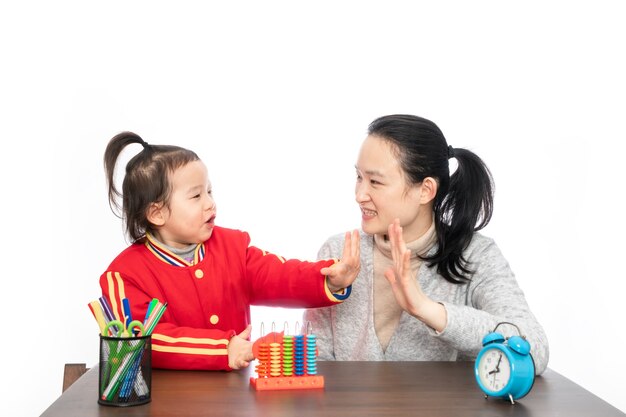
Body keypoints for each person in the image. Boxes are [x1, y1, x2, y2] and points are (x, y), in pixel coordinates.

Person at [304, 114, 549, 374]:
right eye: (359, 177)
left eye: (375, 182)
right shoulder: (338, 252)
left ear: (425, 190)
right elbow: (316, 365)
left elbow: (534, 349)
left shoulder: (475, 255)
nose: (359, 195)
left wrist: (427, 309)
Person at [100, 131, 360, 371]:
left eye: (210, 191)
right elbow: (147, 341)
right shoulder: (124, 275)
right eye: (196, 196)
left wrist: (327, 278)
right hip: (168, 400)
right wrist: (223, 348)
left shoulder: (232, 247)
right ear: (156, 213)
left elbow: (278, 275)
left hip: (233, 396)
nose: (210, 203)